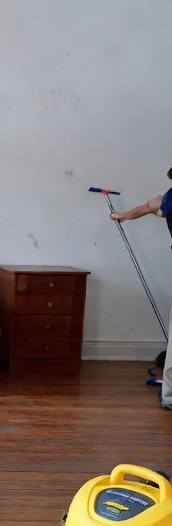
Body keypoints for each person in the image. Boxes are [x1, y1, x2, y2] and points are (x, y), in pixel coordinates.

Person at [110, 173, 172, 410]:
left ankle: (170, 395)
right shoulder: (167, 199)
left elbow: (148, 207)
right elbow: (150, 208)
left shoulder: (167, 198)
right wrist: (123, 215)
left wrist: (123, 216)